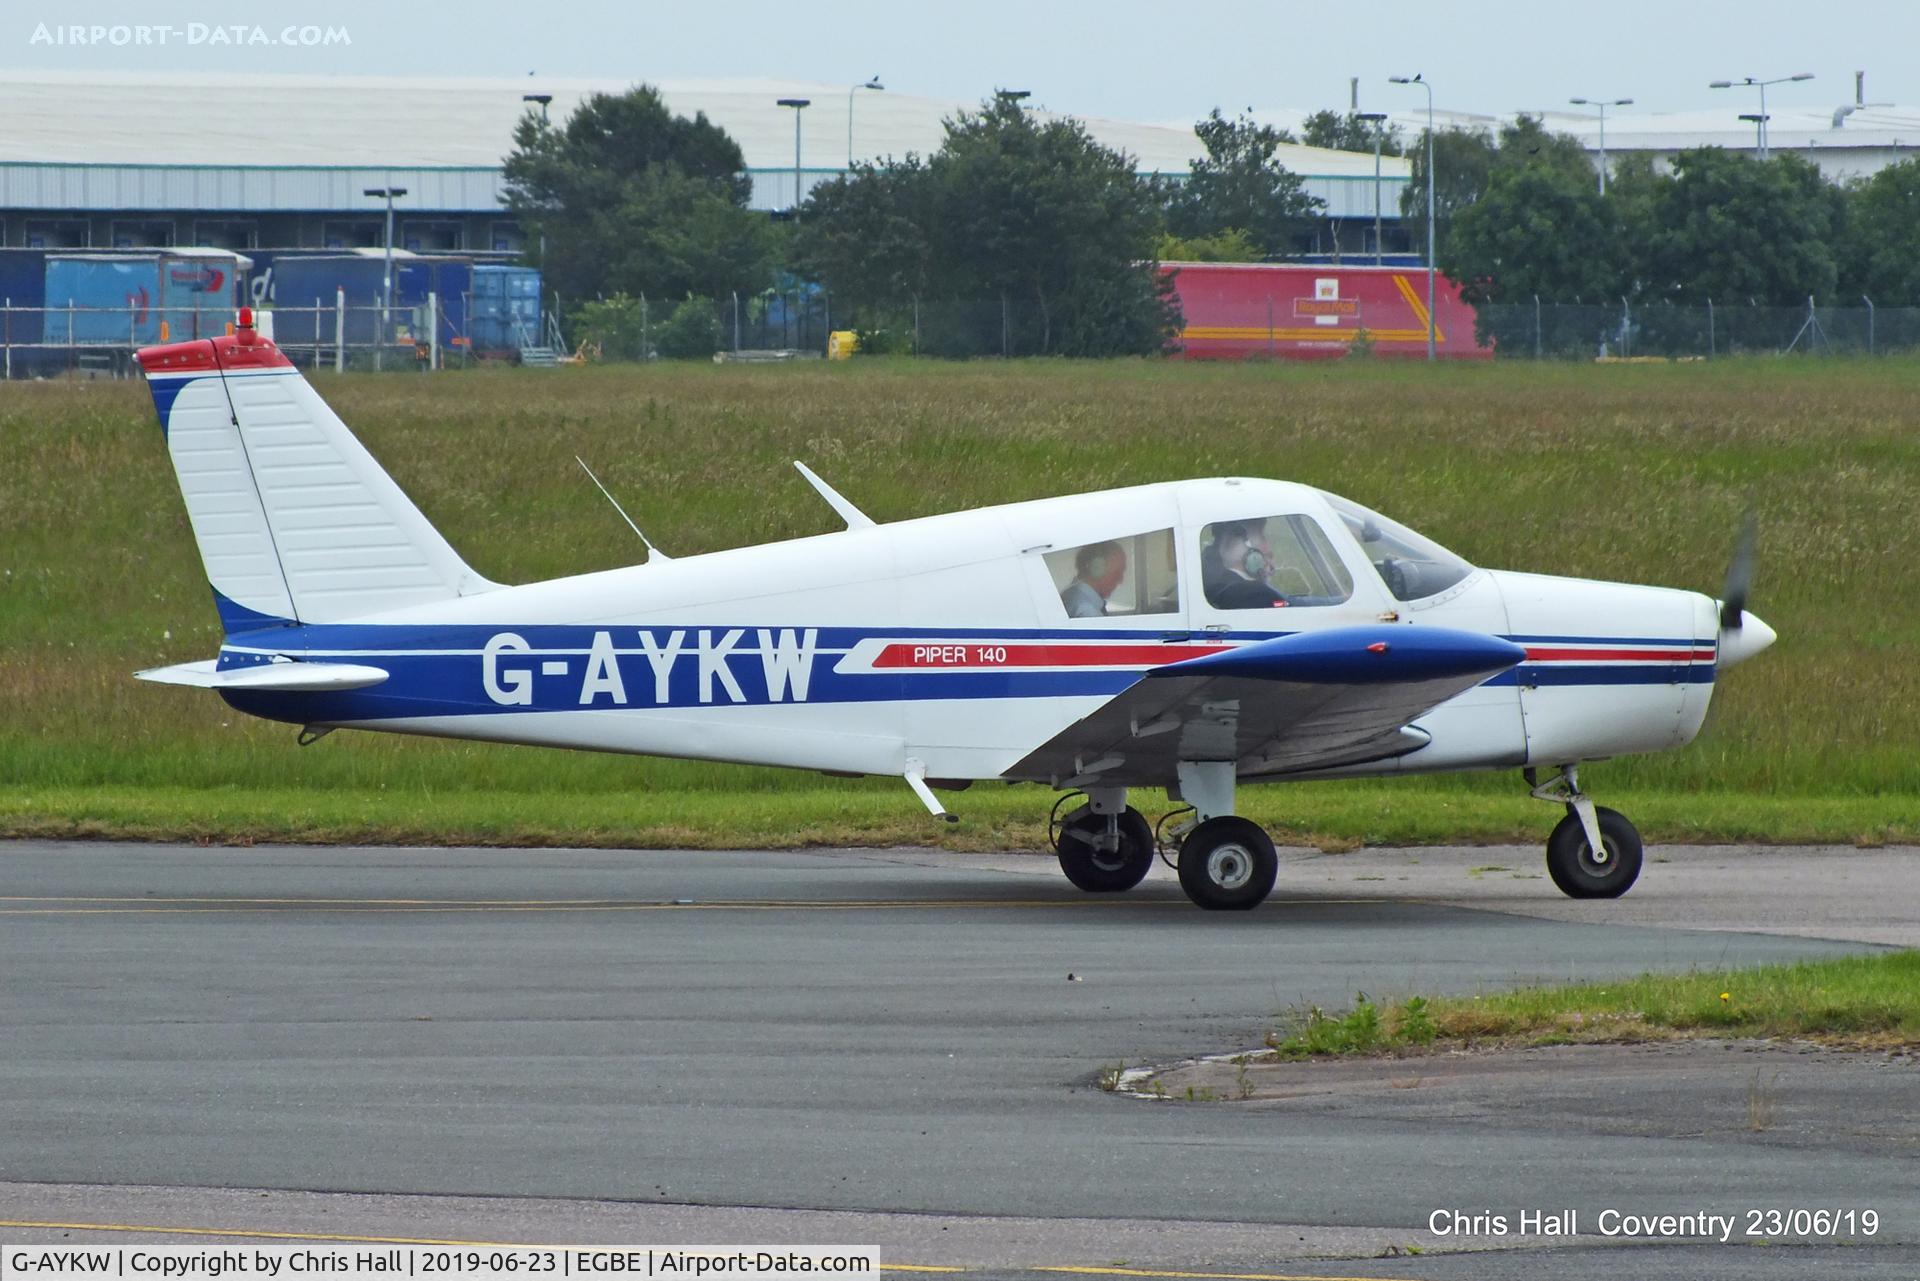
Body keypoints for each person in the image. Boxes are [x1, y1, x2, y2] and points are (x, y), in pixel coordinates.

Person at [1203, 520, 1288, 610]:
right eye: (1266, 556)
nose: (1272, 566)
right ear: (1252, 556)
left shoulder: (1214, 589)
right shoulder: (1259, 595)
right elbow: (1287, 605)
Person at [1060, 541, 1127, 617]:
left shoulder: (1070, 593)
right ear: (1097, 569)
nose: (1120, 580)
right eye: (1116, 573)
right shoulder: (1087, 610)